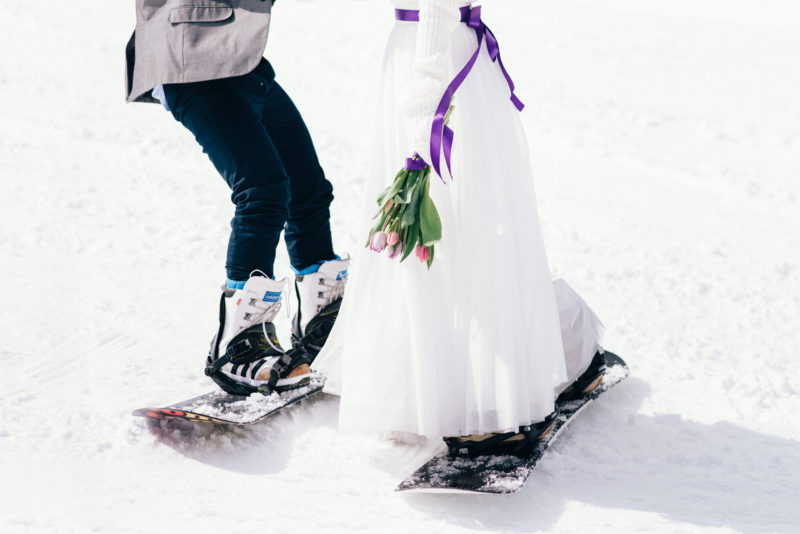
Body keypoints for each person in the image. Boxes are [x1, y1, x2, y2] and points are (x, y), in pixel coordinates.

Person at [313, 0, 608, 457]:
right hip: (430, 60)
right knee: (451, 237)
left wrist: (422, 119)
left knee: (462, 233)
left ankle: (485, 403)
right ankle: (433, 389)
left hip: (439, 71)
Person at [124, 0, 349, 396]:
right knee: (262, 189)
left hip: (242, 61)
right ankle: (239, 345)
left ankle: (322, 318)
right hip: (190, 58)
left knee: (307, 187)